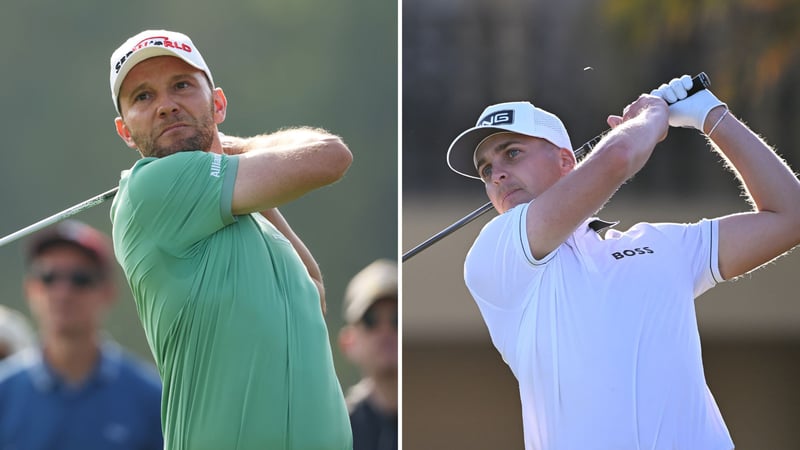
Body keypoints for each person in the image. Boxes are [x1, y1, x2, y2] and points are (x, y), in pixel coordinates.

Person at [444, 75, 800, 449]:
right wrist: (650, 117)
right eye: (486, 170)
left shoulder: (663, 245)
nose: (496, 174)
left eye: (512, 152)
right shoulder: (497, 252)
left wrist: (710, 116)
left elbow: (790, 217)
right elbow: (618, 157)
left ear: (566, 160)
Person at [108, 29, 353, 449]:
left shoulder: (243, 213)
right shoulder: (152, 188)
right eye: (143, 97)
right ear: (125, 131)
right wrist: (243, 150)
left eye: (181, 86)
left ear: (217, 104)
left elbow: (313, 287)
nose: (166, 105)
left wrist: (227, 158)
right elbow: (330, 156)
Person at [0, 220, 163, 450]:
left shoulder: (151, 398)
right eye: (48, 277)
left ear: (108, 292)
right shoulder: (4, 393)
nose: (63, 292)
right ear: (30, 289)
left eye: (80, 279)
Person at [339, 259, 398, 450]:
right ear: (348, 342)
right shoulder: (337, 431)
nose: (386, 331)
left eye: (396, 319)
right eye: (371, 320)